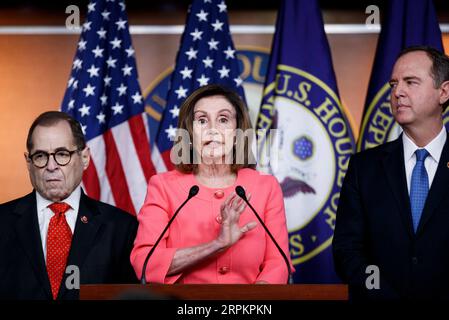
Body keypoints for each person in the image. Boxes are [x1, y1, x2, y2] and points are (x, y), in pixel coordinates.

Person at [131, 84, 293, 284]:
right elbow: (145, 263)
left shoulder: (265, 187)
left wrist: (254, 300)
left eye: (223, 119)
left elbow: (279, 262)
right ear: (189, 134)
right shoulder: (163, 186)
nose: (213, 129)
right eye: (202, 120)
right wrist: (217, 244)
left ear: (237, 133)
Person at [333, 46, 449, 300]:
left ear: (444, 92)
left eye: (411, 82)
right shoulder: (364, 167)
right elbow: (347, 250)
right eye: (393, 84)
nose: (398, 92)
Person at [0, 111, 138, 300]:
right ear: (28, 162)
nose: (51, 166)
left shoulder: (122, 228)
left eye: (62, 154)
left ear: (85, 158)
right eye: (40, 156)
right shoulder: (2, 222)